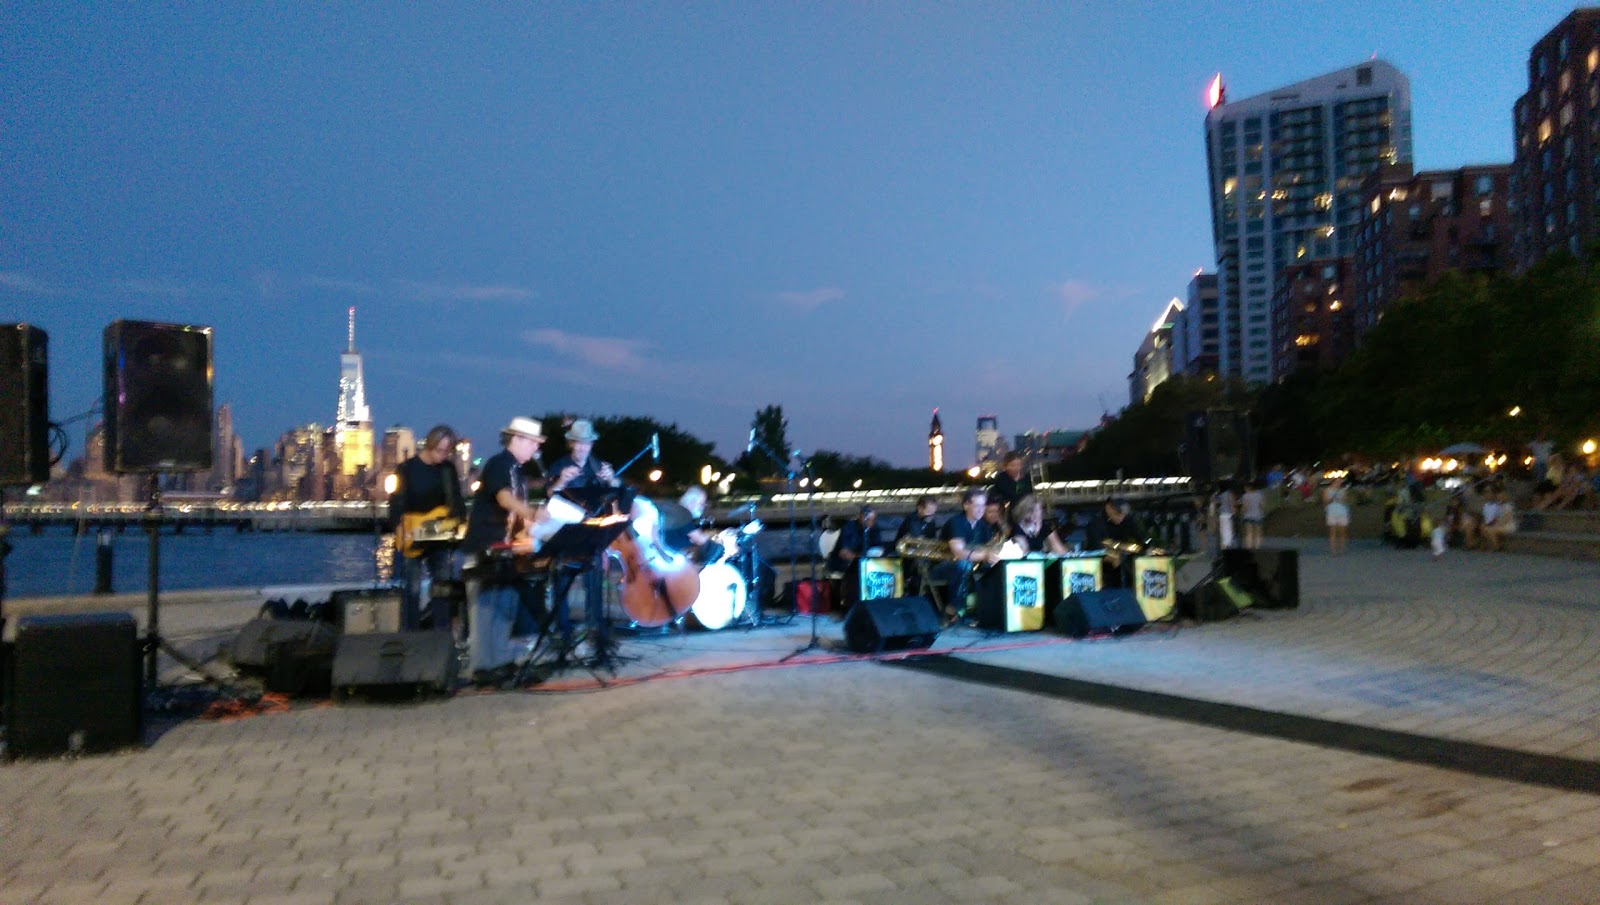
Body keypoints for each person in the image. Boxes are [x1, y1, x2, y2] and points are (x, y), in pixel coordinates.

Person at [462, 416, 548, 685]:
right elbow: (504, 498)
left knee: (504, 606)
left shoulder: (517, 471)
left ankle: (500, 661)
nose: (536, 449)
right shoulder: (500, 464)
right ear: (518, 440)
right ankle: (484, 667)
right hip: (486, 548)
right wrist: (532, 513)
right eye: (533, 443)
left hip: (504, 549)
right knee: (487, 610)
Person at [388, 424, 465, 633]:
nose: (443, 455)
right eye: (440, 450)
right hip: (411, 534)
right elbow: (396, 503)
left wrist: (457, 519)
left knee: (441, 587)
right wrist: (401, 528)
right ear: (429, 445)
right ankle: (410, 636)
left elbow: (456, 501)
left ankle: (441, 635)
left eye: (447, 451)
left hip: (438, 535)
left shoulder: (447, 470)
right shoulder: (406, 469)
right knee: (411, 589)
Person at [934, 488, 1000, 616]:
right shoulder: (956, 522)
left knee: (996, 566)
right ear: (966, 505)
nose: (981, 509)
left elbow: (987, 548)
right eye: (977, 506)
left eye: (983, 505)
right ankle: (953, 609)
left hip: (969, 567)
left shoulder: (983, 525)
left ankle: (986, 608)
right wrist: (983, 556)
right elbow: (958, 552)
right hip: (942, 567)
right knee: (964, 565)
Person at [827, 505, 883, 606]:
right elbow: (843, 553)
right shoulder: (848, 527)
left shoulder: (874, 528)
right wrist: (859, 557)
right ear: (861, 517)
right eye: (868, 520)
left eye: (873, 520)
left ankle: (874, 603)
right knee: (858, 573)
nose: (871, 523)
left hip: (865, 563)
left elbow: (878, 547)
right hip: (843, 563)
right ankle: (854, 605)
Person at [1084, 498, 1147, 587]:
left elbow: (1143, 539)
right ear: (1108, 507)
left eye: (1123, 514)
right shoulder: (1095, 523)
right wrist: (1115, 554)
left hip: (1124, 566)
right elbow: (1096, 548)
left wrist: (1149, 548)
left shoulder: (1128, 520)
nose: (1121, 517)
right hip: (1100, 569)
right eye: (1118, 513)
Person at [547, 419, 618, 495]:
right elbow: (550, 494)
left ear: (591, 445)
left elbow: (617, 489)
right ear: (571, 444)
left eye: (586, 444)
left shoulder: (599, 465)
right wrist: (562, 480)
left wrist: (611, 479)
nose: (582, 448)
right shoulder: (559, 465)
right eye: (579, 443)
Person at [894, 495, 940, 596]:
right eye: (929, 511)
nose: (931, 515)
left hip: (924, 555)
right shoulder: (911, 520)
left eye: (933, 512)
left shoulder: (930, 521)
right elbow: (913, 541)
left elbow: (932, 539)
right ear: (919, 508)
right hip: (907, 557)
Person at [1481, 485, 1519, 551]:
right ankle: (1490, 545)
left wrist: (1496, 525)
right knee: (1485, 528)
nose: (1500, 498)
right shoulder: (1499, 506)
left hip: (1508, 525)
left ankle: (1497, 547)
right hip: (1500, 524)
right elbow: (1496, 517)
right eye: (1499, 496)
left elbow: (1507, 519)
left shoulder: (1508, 506)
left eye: (1502, 496)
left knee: (1491, 530)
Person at [1323, 475, 1350, 556]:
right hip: (1332, 511)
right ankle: (1333, 550)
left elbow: (1345, 500)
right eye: (1337, 482)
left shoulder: (1343, 490)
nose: (1339, 483)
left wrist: (1341, 499)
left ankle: (1342, 549)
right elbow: (1324, 501)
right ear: (1333, 482)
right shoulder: (1327, 490)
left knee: (1342, 532)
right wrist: (1330, 499)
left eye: (1340, 482)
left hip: (1342, 511)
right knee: (1333, 531)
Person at [1239, 481, 1265, 550]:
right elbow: (1262, 505)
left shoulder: (1245, 496)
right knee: (1258, 534)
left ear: (1247, 488)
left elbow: (1244, 507)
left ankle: (1249, 549)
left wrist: (1241, 512)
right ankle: (1257, 548)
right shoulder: (1259, 495)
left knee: (1248, 534)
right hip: (1258, 516)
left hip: (1248, 516)